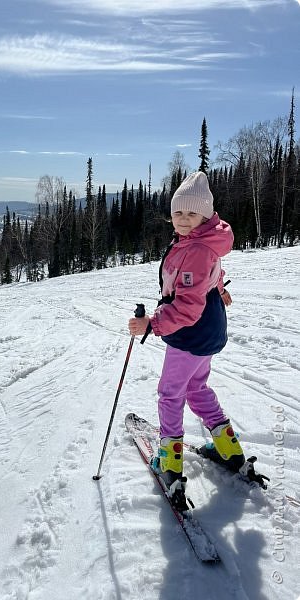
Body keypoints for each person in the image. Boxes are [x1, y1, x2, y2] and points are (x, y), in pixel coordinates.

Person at [128, 171, 244, 506]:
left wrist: (152, 324)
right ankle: (229, 450)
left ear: (205, 216)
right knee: (196, 387)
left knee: (170, 393)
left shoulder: (195, 249)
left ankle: (170, 464)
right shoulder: (202, 242)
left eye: (191, 214)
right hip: (209, 329)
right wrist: (219, 290)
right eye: (178, 213)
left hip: (191, 333)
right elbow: (215, 272)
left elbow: (188, 308)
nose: (183, 219)